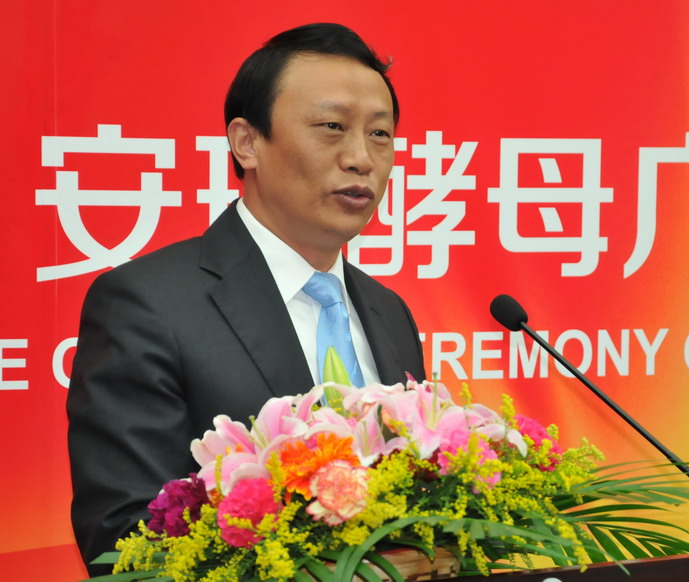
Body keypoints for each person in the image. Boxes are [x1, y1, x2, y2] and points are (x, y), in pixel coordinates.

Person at [66, 23, 426, 574]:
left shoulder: (389, 312)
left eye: (380, 134)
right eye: (332, 127)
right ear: (246, 142)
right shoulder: (147, 305)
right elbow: (124, 542)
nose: (361, 158)